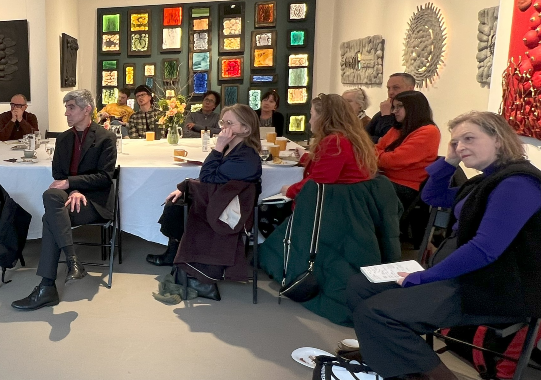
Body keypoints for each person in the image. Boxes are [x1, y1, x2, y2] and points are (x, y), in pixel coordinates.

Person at [347, 112, 541, 380]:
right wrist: (448, 161)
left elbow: (484, 250)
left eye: (469, 138)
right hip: (466, 277)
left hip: (498, 289)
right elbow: (432, 197)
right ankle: (408, 375)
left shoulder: (519, 184)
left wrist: (423, 277)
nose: (460, 146)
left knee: (377, 313)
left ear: (498, 139)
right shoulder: (488, 179)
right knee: (360, 284)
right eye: (456, 141)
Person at [11, 88, 117, 311]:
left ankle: (47, 287)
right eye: (66, 108)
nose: (66, 113)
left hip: (94, 201)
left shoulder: (106, 137)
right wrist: (72, 189)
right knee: (50, 195)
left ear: (87, 110)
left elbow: (105, 177)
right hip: (68, 197)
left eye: (71, 108)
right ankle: (72, 261)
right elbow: (58, 174)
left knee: (50, 219)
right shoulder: (64, 138)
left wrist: (74, 186)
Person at [147, 104, 262, 290]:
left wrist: (217, 147)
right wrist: (186, 187)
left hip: (230, 211)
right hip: (222, 200)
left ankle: (178, 257)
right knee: (177, 201)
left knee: (178, 206)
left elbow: (208, 177)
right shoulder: (233, 149)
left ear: (245, 129)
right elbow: (213, 179)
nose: (224, 128)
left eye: (230, 123)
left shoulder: (245, 157)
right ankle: (174, 254)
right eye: (223, 122)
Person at [285, 93, 377, 200]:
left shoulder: (335, 142)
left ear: (323, 117)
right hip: (351, 197)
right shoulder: (349, 136)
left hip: (340, 201)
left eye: (312, 114)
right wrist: (305, 157)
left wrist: (289, 190)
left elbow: (317, 182)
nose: (310, 121)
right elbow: (328, 165)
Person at [374, 91, 441, 214]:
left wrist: (379, 155)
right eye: (394, 107)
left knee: (357, 191)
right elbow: (373, 151)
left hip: (406, 187)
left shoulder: (429, 132)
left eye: (399, 106)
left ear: (414, 108)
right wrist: (381, 155)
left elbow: (393, 160)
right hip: (385, 180)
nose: (394, 111)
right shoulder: (397, 128)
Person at [367, 73, 416, 142]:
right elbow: (362, 137)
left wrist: (386, 117)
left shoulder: (415, 114)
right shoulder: (385, 111)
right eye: (388, 88)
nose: (391, 92)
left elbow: (393, 141)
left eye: (396, 88)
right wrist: (378, 139)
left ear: (410, 89)